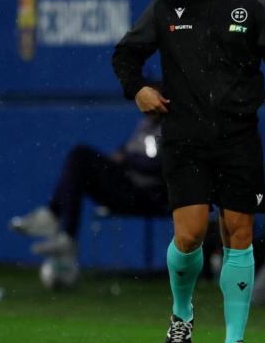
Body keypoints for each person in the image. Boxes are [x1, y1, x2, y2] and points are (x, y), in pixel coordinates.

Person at [112, 0, 265, 343]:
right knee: (190, 234)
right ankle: (182, 313)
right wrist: (136, 87)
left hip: (238, 139)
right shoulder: (168, 6)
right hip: (185, 138)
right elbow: (125, 54)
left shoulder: (253, 8)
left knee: (239, 235)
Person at [9, 111, 166, 264]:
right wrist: (123, 159)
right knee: (80, 158)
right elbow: (123, 152)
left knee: (81, 156)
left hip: (149, 196)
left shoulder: (171, 126)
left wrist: (129, 158)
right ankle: (60, 226)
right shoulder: (145, 124)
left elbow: (156, 164)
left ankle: (55, 221)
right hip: (130, 188)